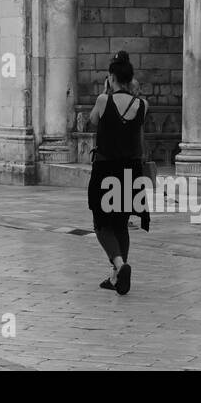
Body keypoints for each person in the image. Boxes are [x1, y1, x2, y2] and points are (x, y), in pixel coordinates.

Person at [87, 50, 149, 296]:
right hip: (131, 171)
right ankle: (116, 277)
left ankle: (120, 266)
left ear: (111, 77)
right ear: (131, 78)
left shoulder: (104, 100)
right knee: (121, 223)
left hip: (106, 169)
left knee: (102, 224)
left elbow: (93, 121)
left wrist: (107, 91)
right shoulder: (143, 104)